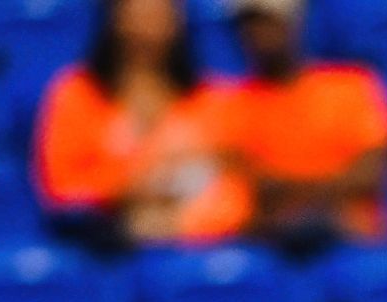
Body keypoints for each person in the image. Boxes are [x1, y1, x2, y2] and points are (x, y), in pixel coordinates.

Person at [33, 0, 246, 244]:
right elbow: (62, 188)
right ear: (116, 18)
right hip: (106, 247)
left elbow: (236, 184)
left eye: (158, 13)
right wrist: (137, 181)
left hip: (200, 245)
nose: (147, 26)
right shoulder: (77, 94)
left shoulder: (212, 99)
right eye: (137, 12)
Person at [224, 0, 387, 244]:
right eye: (249, 25)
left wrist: (293, 191)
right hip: (273, 241)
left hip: (351, 235)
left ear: (294, 22)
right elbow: (246, 183)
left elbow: (371, 173)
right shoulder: (229, 104)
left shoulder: (351, 86)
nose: (258, 33)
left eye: (268, 22)